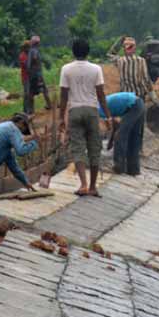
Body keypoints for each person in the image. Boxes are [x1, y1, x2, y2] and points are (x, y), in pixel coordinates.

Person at [59, 38, 111, 197]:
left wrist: (62, 117)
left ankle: (83, 185)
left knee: (78, 148)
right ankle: (93, 187)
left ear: (73, 52)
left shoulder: (66, 69)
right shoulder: (96, 69)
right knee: (94, 148)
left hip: (74, 111)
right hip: (91, 111)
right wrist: (108, 116)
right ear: (88, 52)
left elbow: (63, 96)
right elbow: (101, 95)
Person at [99, 92, 145, 175]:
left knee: (120, 137)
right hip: (139, 104)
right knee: (133, 138)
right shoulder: (102, 108)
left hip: (133, 105)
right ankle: (133, 169)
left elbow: (110, 127)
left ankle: (119, 167)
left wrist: (112, 139)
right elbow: (116, 125)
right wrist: (110, 141)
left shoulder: (99, 111)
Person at [25, 35, 52, 114]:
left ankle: (31, 110)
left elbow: (31, 61)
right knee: (44, 89)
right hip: (39, 74)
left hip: (34, 75)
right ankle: (49, 104)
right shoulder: (36, 50)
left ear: (32, 43)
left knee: (31, 92)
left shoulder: (32, 51)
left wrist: (29, 70)